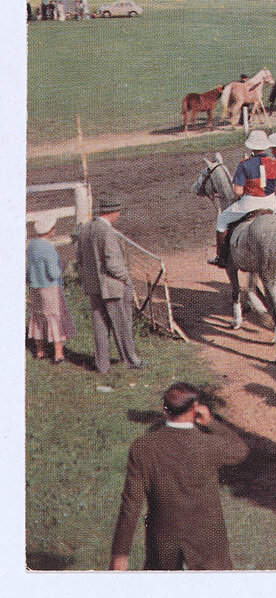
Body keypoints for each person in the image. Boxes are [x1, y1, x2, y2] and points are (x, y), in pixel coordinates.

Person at [110, 382, 249, 570]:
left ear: (164, 409)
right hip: (208, 540)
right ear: (195, 408)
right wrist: (211, 422)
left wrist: (120, 554)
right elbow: (240, 449)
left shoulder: (143, 447)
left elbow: (131, 504)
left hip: (163, 541)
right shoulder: (207, 444)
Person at [76, 195, 144, 373]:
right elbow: (113, 264)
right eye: (117, 212)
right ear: (112, 212)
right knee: (122, 326)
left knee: (100, 327)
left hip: (93, 287)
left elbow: (80, 259)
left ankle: (102, 365)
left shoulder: (84, 229)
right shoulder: (107, 232)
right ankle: (131, 360)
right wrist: (126, 278)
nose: (118, 216)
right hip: (112, 287)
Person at [209, 130, 276, 267]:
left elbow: (237, 191)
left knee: (222, 219)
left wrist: (239, 195)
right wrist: (272, 191)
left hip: (250, 204)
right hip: (271, 204)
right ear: (266, 146)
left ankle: (221, 257)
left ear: (251, 147)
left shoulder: (244, 164)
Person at [26, 214, 76, 363]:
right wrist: (62, 266)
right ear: (49, 230)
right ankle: (58, 354)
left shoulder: (31, 246)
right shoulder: (49, 248)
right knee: (54, 317)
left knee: (38, 316)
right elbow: (54, 273)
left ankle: (40, 351)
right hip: (50, 287)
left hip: (34, 286)